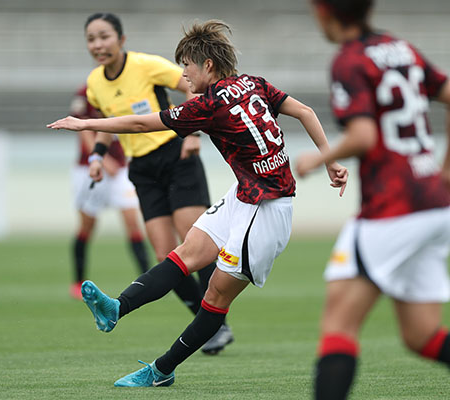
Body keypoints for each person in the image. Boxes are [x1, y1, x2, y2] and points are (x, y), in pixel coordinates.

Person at [49, 20, 348, 387]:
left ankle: (161, 370)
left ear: (208, 64)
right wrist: (330, 160)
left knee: (216, 296)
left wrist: (85, 125)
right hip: (244, 195)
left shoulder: (209, 105)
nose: (184, 74)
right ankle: (117, 308)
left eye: (187, 65)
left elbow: (142, 124)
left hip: (268, 210)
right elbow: (306, 112)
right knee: (185, 253)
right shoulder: (254, 83)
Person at [296, 1, 450, 398]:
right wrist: (445, 170)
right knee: (422, 335)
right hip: (433, 203)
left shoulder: (349, 60)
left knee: (338, 326)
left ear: (324, 12)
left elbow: (363, 136)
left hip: (391, 209)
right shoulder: (401, 48)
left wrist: (318, 157)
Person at [80, 12, 233, 354]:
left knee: (196, 244)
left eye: (104, 36)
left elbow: (195, 89)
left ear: (121, 39)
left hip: (176, 157)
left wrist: (192, 134)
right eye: (91, 39)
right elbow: (107, 123)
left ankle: (215, 322)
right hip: (142, 169)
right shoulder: (95, 82)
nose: (98, 44)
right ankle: (211, 325)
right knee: (166, 254)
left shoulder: (146, 65)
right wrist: (96, 157)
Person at [68, 85, 149, 300]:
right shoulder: (86, 92)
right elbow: (83, 130)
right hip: (89, 168)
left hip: (120, 170)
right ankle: (78, 281)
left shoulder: (126, 85)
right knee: (87, 226)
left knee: (133, 222)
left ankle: (148, 281)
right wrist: (102, 159)